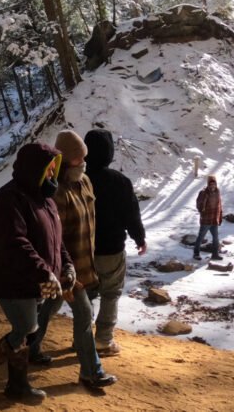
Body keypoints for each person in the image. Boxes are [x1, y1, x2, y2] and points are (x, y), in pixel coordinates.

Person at [0, 142, 69, 401]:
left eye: (54, 171)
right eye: (47, 170)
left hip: (35, 280)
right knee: (26, 327)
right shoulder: (8, 199)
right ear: (33, 170)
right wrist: (44, 273)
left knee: (28, 331)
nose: (52, 176)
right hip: (12, 279)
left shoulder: (45, 200)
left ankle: (16, 385)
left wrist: (66, 265)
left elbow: (57, 240)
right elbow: (15, 242)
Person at [29, 131, 117, 391]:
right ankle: (91, 371)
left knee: (49, 307)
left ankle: (30, 348)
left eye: (85, 158)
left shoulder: (86, 182)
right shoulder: (56, 193)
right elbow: (53, 238)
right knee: (84, 314)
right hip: (66, 269)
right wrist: (61, 272)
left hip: (86, 265)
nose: (84, 163)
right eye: (79, 159)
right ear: (67, 162)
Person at [84, 128, 147, 356]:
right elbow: (131, 214)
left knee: (86, 295)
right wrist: (139, 238)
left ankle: (81, 339)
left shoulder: (79, 179)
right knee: (110, 294)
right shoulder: (120, 181)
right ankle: (103, 340)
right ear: (110, 153)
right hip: (111, 248)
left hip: (83, 250)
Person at [193, 175, 224, 261]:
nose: (213, 185)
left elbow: (219, 206)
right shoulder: (203, 192)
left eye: (214, 183)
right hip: (206, 220)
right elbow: (198, 204)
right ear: (208, 184)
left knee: (216, 238)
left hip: (214, 219)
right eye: (211, 184)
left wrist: (220, 216)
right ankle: (196, 254)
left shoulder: (218, 191)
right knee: (201, 237)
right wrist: (202, 211)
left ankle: (215, 254)